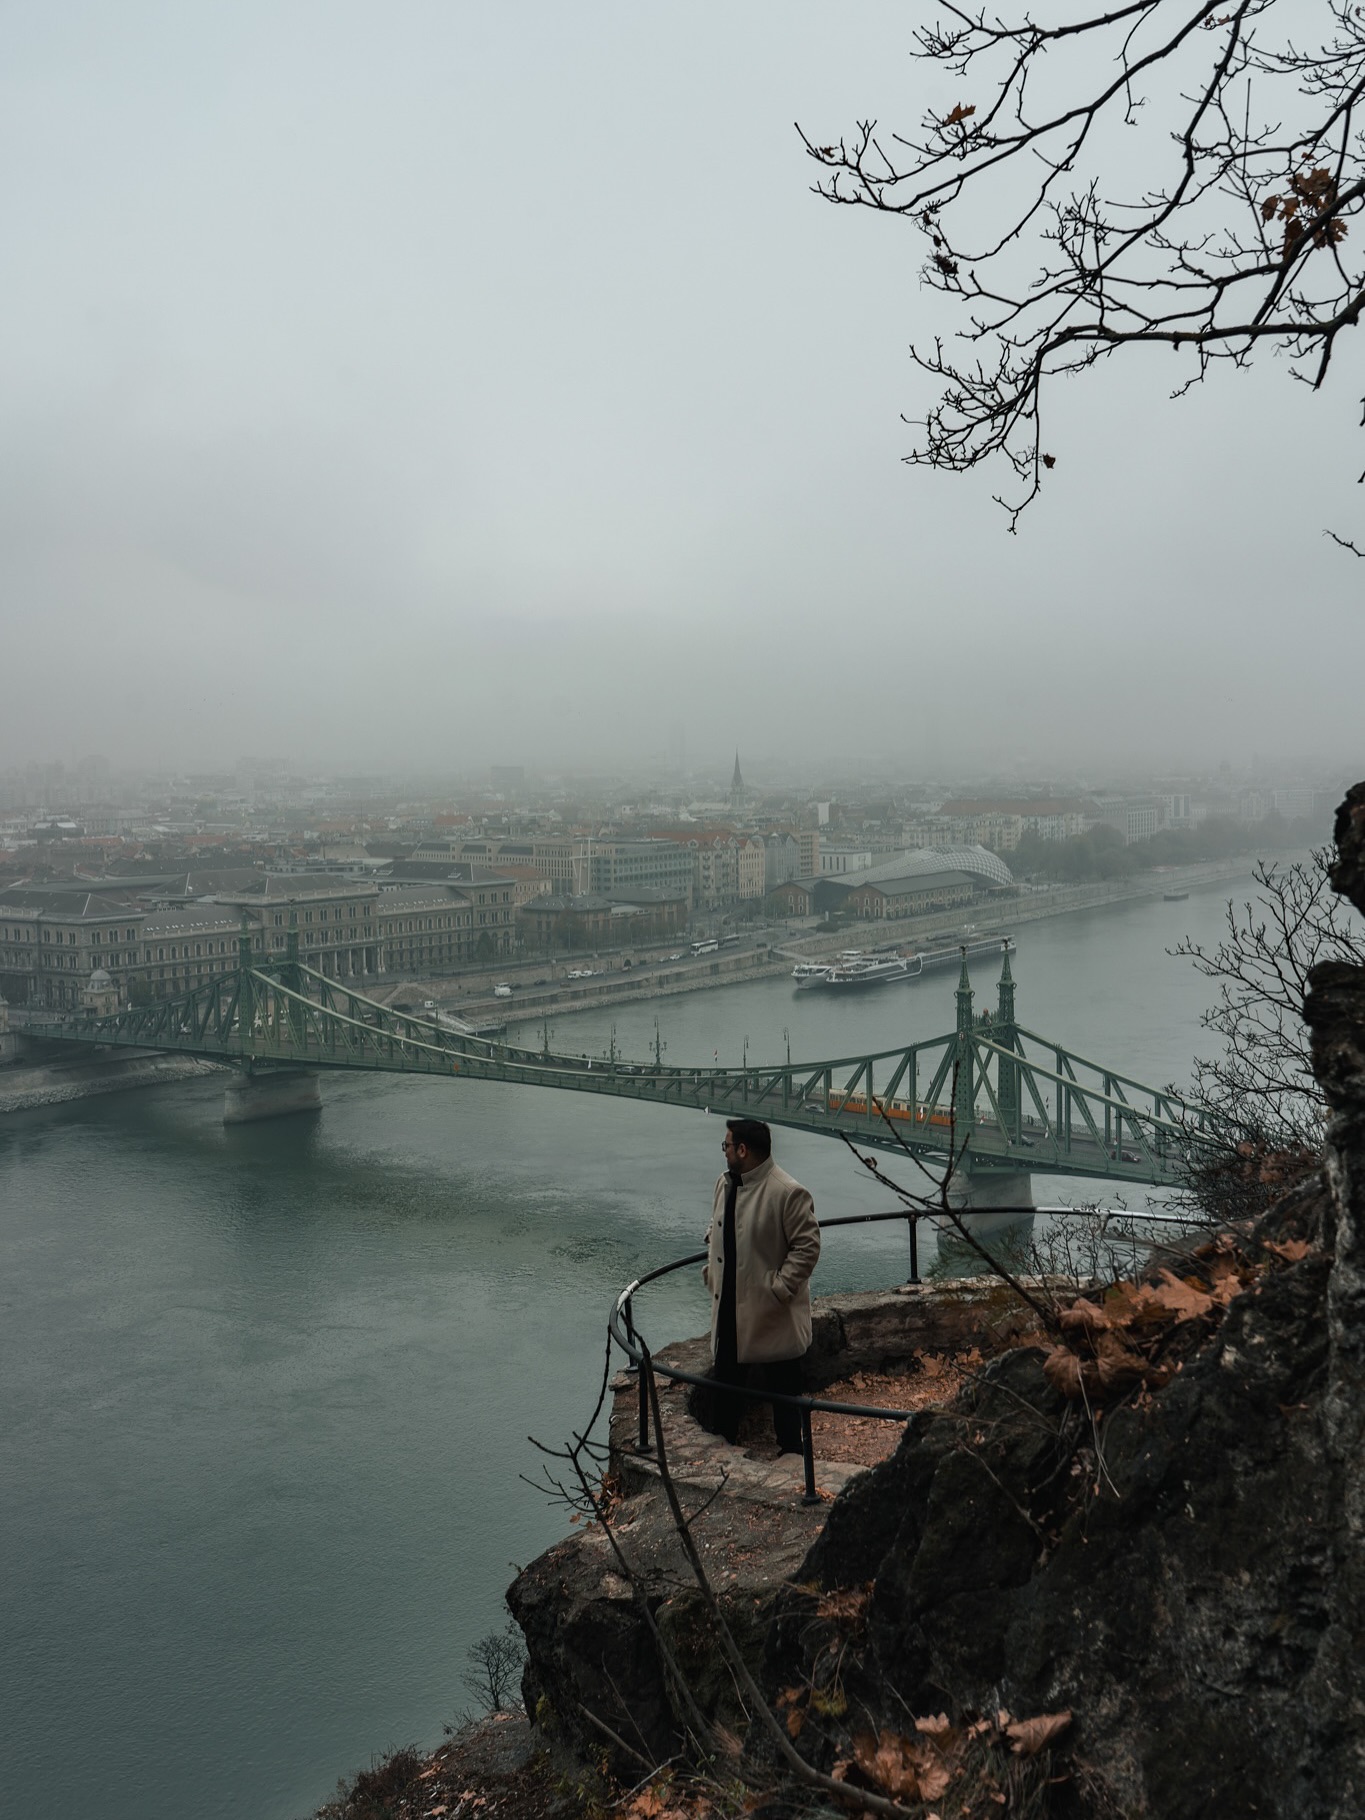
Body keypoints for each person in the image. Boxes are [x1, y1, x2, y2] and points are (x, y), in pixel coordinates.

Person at [702, 1117, 820, 1453]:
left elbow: (807, 1247)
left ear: (742, 1149)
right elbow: (720, 1224)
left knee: (784, 1395)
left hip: (772, 1312)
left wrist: (779, 1289)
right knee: (726, 1393)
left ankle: (795, 1462)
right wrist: (714, 1245)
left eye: (726, 1146)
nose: (723, 1152)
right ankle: (723, 1458)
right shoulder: (724, 1184)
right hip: (729, 1309)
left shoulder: (787, 1192)